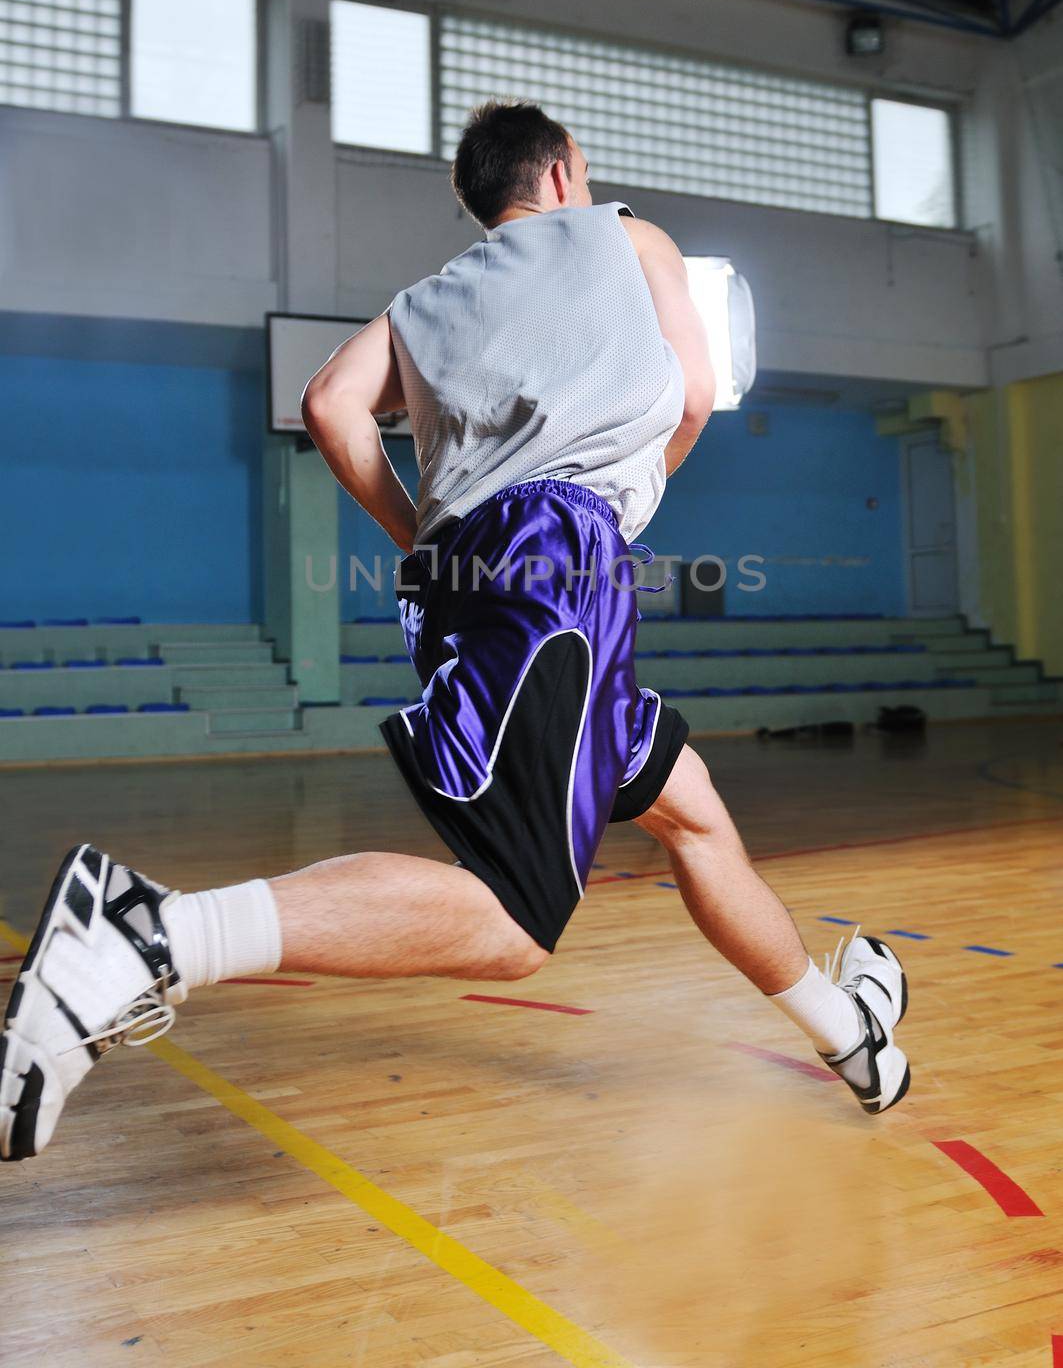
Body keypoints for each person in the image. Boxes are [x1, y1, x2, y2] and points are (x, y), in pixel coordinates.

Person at [0, 102, 909, 1162]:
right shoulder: (628, 233)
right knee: (517, 920)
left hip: (467, 575)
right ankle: (148, 932)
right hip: (563, 561)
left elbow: (333, 406)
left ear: (484, 202)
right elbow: (696, 394)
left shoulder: (420, 304)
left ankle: (853, 1039)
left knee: (693, 816)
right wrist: (623, 496)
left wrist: (421, 535)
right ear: (564, 170)